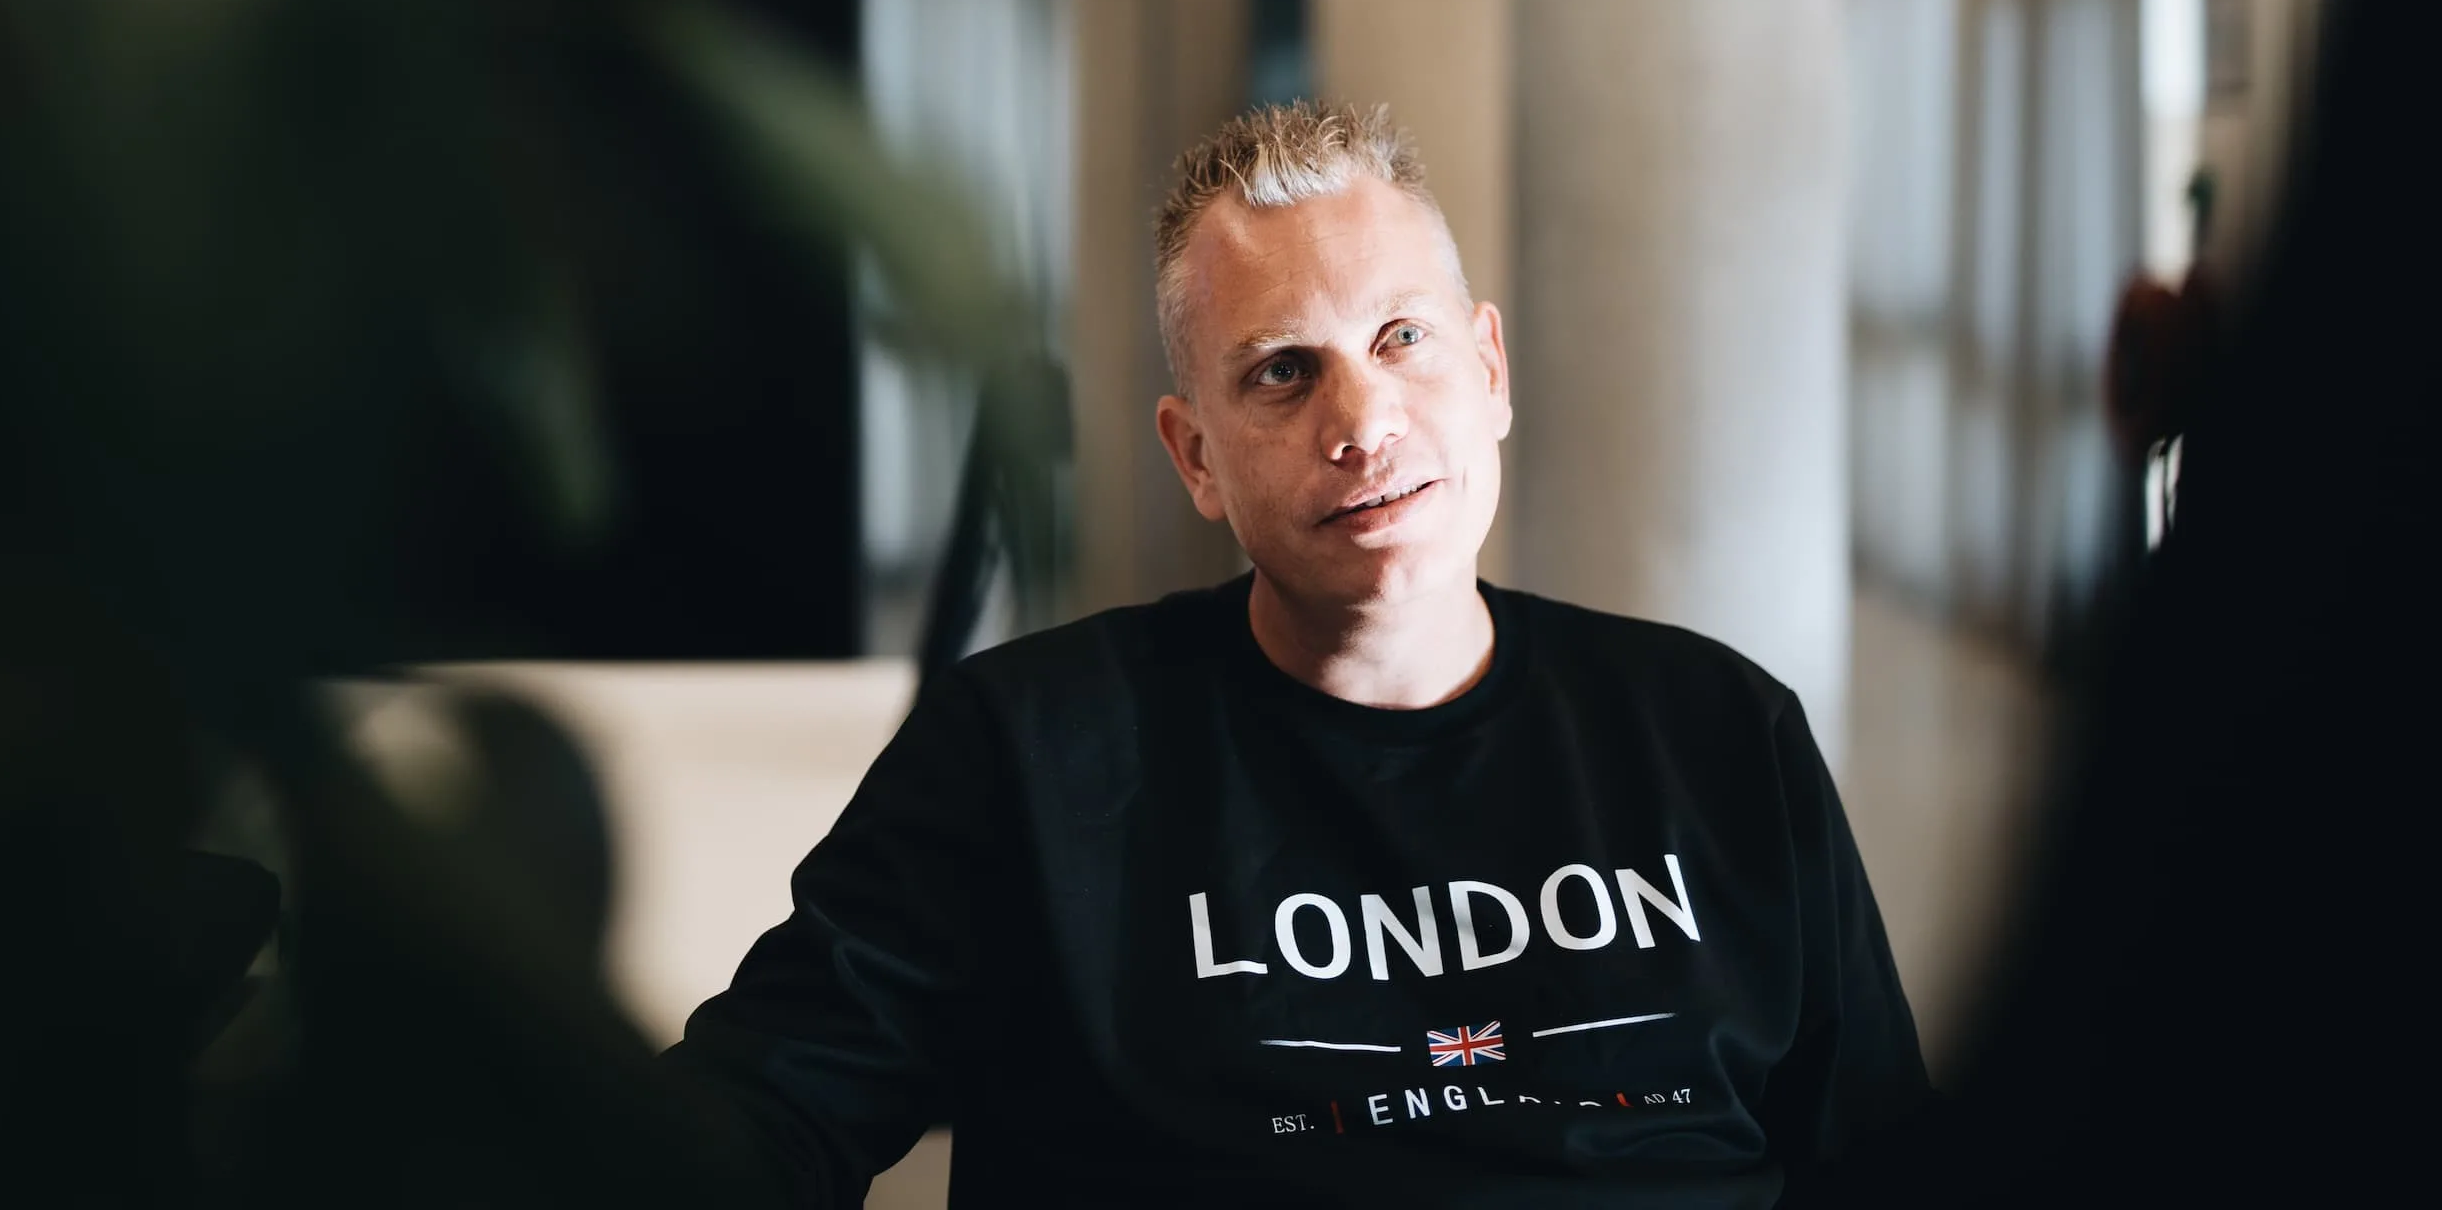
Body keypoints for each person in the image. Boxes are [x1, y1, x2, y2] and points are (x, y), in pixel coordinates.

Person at [669, 103, 1927, 1207]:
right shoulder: (1025, 752)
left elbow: (1885, 1162)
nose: (1363, 425)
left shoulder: (1719, 729)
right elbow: (764, 1108)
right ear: (1196, 457)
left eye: (1402, 339)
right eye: (1283, 371)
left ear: (1489, 369)